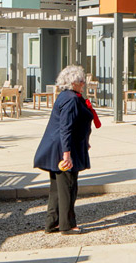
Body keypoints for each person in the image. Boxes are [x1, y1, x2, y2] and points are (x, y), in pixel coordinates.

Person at [33, 66, 95, 235]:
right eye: (81, 81)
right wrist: (66, 154)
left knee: (57, 188)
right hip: (64, 149)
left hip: (60, 147)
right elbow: (66, 127)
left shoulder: (66, 96)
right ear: (73, 82)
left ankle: (52, 222)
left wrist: (85, 141)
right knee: (68, 187)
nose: (83, 84)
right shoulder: (71, 99)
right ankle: (67, 225)